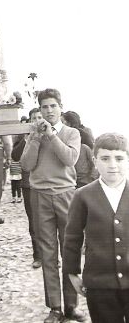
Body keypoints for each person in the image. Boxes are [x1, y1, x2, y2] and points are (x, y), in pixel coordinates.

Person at [21, 88, 85, 323]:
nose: (48, 111)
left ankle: (71, 305)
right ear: (40, 110)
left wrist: (52, 136)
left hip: (66, 195)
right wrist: (37, 139)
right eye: (44, 107)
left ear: (60, 107)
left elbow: (70, 159)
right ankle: (55, 307)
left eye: (52, 106)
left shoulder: (71, 133)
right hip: (40, 197)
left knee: (69, 250)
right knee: (48, 253)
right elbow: (26, 165)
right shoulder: (34, 135)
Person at [63, 133, 129, 323]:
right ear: (94, 160)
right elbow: (72, 237)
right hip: (100, 284)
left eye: (119, 158)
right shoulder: (83, 196)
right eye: (105, 158)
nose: (112, 165)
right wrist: (72, 272)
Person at [12, 108, 42, 269]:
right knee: (33, 221)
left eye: (39, 117)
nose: (37, 120)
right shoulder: (23, 137)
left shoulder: (49, 135)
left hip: (45, 184)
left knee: (48, 221)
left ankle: (51, 255)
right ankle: (37, 255)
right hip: (28, 185)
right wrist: (26, 139)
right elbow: (15, 156)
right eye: (34, 118)